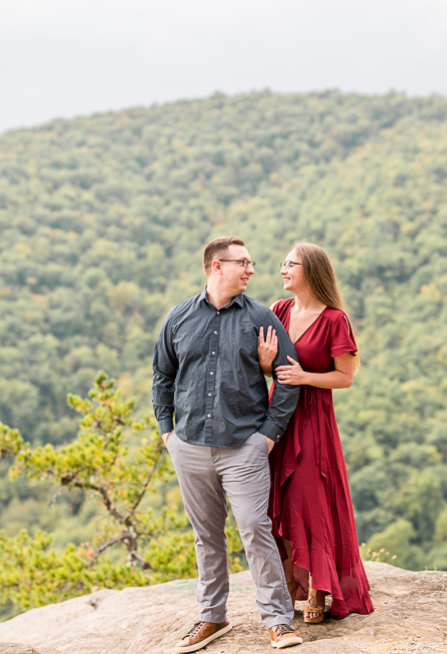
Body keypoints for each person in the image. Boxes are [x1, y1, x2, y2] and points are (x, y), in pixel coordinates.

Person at [152, 236, 305, 652]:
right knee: (206, 535)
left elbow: (289, 376)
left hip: (245, 446)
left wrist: (269, 435)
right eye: (244, 262)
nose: (252, 269)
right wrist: (168, 432)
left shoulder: (262, 317)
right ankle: (211, 617)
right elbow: (162, 377)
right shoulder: (179, 317)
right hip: (190, 445)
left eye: (251, 262)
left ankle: (277, 619)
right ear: (217, 267)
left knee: (255, 528)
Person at [257, 242, 374, 624]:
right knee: (282, 497)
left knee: (312, 501)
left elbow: (345, 377)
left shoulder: (334, 319)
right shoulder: (280, 310)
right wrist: (264, 365)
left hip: (314, 421)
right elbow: (273, 370)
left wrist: (306, 377)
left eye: (290, 263)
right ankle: (295, 585)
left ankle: (321, 590)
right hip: (280, 417)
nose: (282, 269)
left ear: (311, 270)